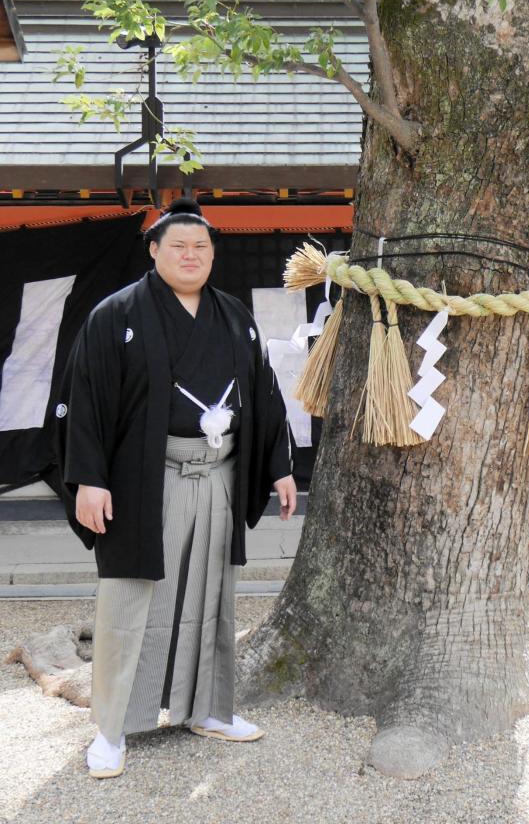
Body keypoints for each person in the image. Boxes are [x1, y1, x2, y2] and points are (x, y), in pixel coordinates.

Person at [56, 198, 298, 780]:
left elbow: (264, 393)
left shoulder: (234, 315)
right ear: (154, 251)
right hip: (145, 478)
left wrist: (280, 465)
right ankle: (112, 728)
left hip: (218, 476)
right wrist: (89, 479)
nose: (191, 256)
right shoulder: (116, 314)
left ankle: (207, 708)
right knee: (130, 598)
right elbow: (84, 398)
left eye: (201, 247)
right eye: (179, 246)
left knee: (212, 596)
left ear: (213, 255)